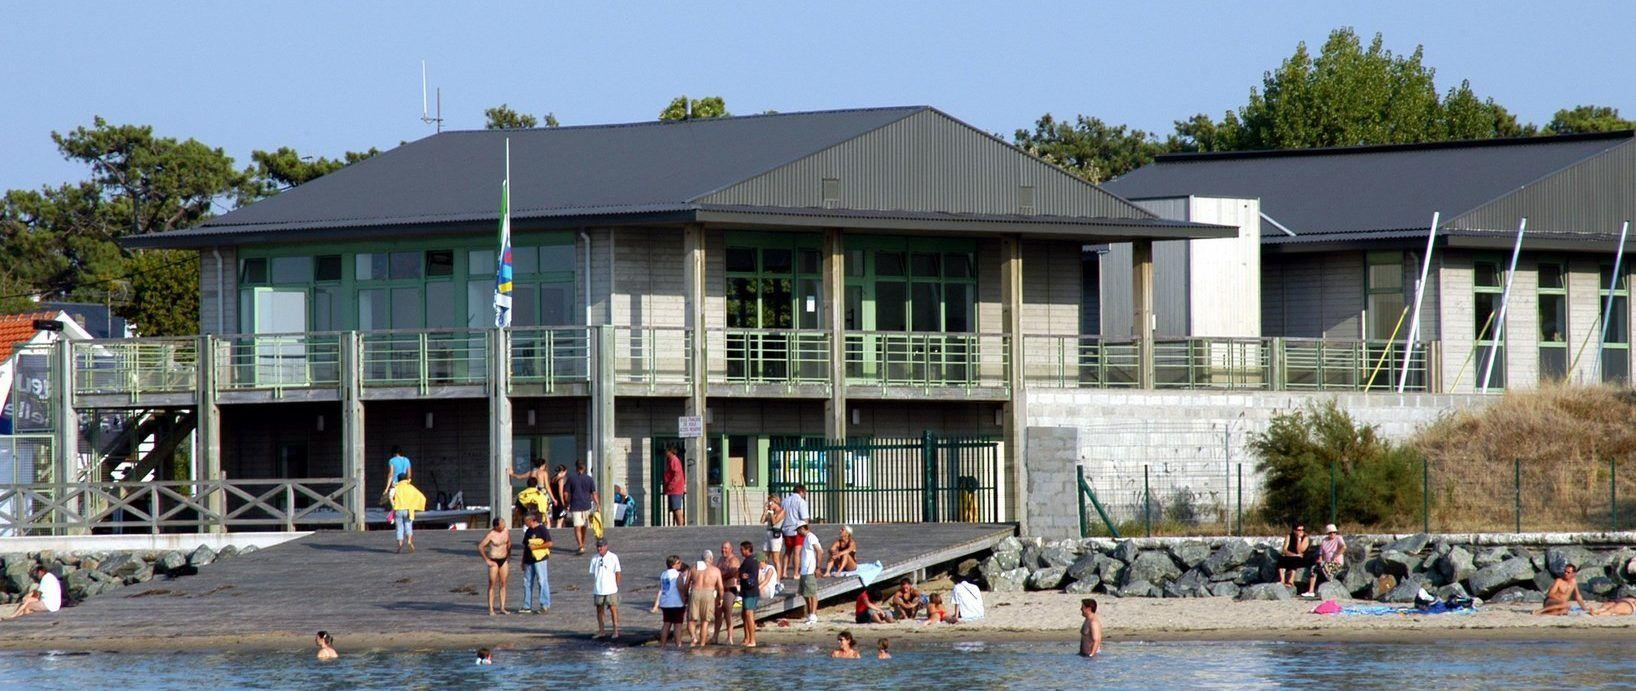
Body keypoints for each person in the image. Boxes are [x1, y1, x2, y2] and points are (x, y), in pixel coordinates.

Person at [687, 550, 724, 648]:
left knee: (691, 620)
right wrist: (721, 598)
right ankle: (702, 644)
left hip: (695, 592)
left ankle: (693, 637)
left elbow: (686, 584)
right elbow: (720, 587)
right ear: (711, 559)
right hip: (708, 593)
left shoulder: (693, 568)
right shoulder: (715, 570)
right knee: (705, 621)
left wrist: (685, 596)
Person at [477, 518, 513, 615]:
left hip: (504, 559)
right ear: (496, 526)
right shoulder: (491, 535)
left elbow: (509, 542)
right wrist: (487, 560)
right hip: (494, 560)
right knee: (492, 584)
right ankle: (491, 609)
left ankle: (502, 607)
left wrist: (509, 554)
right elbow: (480, 546)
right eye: (501, 524)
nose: (503, 526)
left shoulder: (506, 531)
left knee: (503, 583)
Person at [519, 511, 553, 614]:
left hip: (540, 559)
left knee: (542, 581)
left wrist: (537, 547)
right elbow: (525, 547)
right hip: (529, 560)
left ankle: (544, 604)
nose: (525, 523)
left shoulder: (542, 529)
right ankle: (526, 605)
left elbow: (550, 543)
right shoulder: (528, 531)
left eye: (526, 521)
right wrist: (522, 561)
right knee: (527, 582)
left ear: (531, 520)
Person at [651, 555, 687, 648]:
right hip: (676, 603)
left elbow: (662, 588)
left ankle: (663, 645)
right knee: (677, 625)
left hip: (665, 602)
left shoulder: (663, 574)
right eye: (678, 562)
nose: (680, 564)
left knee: (666, 624)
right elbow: (681, 589)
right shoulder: (677, 575)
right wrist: (685, 601)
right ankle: (678, 645)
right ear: (673, 564)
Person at [590, 538, 622, 639]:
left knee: (613, 609)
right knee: (599, 610)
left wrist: (616, 586)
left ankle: (616, 631)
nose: (599, 548)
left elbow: (618, 572)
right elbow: (593, 573)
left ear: (606, 546)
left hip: (611, 588)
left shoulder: (613, 557)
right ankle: (601, 631)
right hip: (598, 589)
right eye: (598, 546)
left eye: (601, 546)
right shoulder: (594, 558)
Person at [565, 461, 600, 554]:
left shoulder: (571, 479)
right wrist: (598, 505)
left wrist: (566, 503)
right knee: (584, 526)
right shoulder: (589, 479)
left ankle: (580, 545)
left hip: (575, 505)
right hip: (586, 505)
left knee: (577, 526)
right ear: (584, 468)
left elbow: (566, 493)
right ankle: (582, 544)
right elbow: (594, 493)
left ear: (576, 467)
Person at [1304, 524, 1346, 597]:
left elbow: (1344, 547)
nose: (1332, 534)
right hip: (1326, 562)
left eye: (1334, 532)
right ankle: (1311, 591)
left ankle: (1329, 583)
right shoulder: (1324, 540)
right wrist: (1320, 559)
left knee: (1326, 568)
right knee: (1314, 568)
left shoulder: (1338, 538)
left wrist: (1336, 555)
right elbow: (1321, 553)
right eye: (1330, 532)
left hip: (1336, 563)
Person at [736, 541, 765, 648]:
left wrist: (747, 576)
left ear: (748, 549)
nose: (740, 551)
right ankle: (747, 637)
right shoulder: (746, 561)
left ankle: (752, 640)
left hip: (751, 592)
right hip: (745, 591)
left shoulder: (753, 561)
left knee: (749, 614)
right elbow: (739, 572)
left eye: (742, 549)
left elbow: (753, 575)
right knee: (744, 615)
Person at [389, 473, 426, 554]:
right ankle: (409, 541)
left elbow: (390, 496)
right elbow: (421, 496)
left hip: (398, 509)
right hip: (408, 510)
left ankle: (400, 544)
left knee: (399, 527)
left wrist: (393, 506)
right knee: (408, 525)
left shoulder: (396, 487)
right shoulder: (410, 487)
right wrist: (417, 506)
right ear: (406, 479)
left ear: (398, 479)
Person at [780, 485, 811, 578]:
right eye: (804, 492)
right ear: (801, 491)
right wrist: (807, 530)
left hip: (786, 528)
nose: (805, 495)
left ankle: (784, 572)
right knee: (797, 552)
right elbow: (805, 518)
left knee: (788, 551)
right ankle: (796, 573)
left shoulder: (785, 501)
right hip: (798, 529)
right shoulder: (801, 502)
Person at [714, 540, 742, 645]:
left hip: (730, 589)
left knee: (728, 614)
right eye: (722, 548)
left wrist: (720, 576)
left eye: (725, 548)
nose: (723, 550)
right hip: (721, 590)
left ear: (731, 549)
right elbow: (716, 571)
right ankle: (715, 636)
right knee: (717, 613)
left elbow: (733, 572)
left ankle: (730, 637)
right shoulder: (721, 559)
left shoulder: (734, 560)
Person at [796, 523, 824, 624]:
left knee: (812, 593)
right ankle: (812, 613)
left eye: (798, 530)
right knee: (805, 593)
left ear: (803, 528)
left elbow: (820, 551)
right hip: (804, 570)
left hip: (809, 570)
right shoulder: (806, 538)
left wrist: (818, 568)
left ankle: (813, 616)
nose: (798, 532)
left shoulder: (811, 537)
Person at [1276, 522, 1311, 588]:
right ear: (1294, 530)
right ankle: (1282, 580)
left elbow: (1300, 551)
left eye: (1302, 530)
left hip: (1301, 558)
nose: (1301, 532)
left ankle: (1290, 581)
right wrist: (1294, 555)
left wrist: (1299, 539)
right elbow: (1284, 550)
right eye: (1299, 530)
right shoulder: (1289, 536)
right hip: (1291, 556)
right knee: (1281, 559)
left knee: (1295, 561)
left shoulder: (1305, 538)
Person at [762, 495, 786, 579]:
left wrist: (771, 513)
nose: (769, 504)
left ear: (775, 502)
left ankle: (778, 579)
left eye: (771, 502)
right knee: (764, 557)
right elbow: (762, 521)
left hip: (775, 535)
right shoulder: (769, 511)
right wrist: (765, 511)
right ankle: (765, 576)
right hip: (768, 534)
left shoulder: (782, 511)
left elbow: (774, 522)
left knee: (775, 559)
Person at [662, 444, 687, 526]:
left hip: (675, 490)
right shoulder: (671, 460)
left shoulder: (674, 461)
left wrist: (671, 485)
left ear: (670, 451)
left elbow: (677, 475)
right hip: (673, 490)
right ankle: (679, 525)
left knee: (677, 508)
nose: (665, 453)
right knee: (674, 508)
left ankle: (680, 526)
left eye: (667, 451)